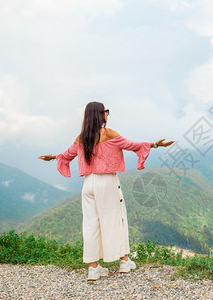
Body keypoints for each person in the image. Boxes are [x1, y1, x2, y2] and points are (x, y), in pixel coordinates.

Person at [38, 101, 174, 280]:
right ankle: (124, 262)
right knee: (116, 219)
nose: (107, 115)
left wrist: (54, 157)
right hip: (107, 182)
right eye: (106, 111)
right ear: (99, 114)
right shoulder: (109, 134)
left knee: (91, 224)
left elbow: (68, 154)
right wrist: (155, 145)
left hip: (88, 184)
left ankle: (93, 268)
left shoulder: (82, 137)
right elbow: (132, 145)